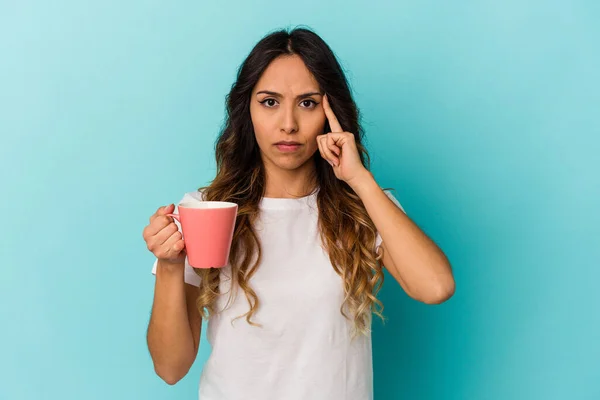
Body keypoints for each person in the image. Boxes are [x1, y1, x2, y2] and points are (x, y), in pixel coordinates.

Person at [143, 27, 455, 400]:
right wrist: (170, 266)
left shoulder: (363, 206)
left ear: (330, 112)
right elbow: (170, 367)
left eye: (307, 103)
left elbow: (436, 287)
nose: (288, 123)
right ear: (248, 110)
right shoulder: (205, 209)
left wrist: (359, 180)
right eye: (270, 102)